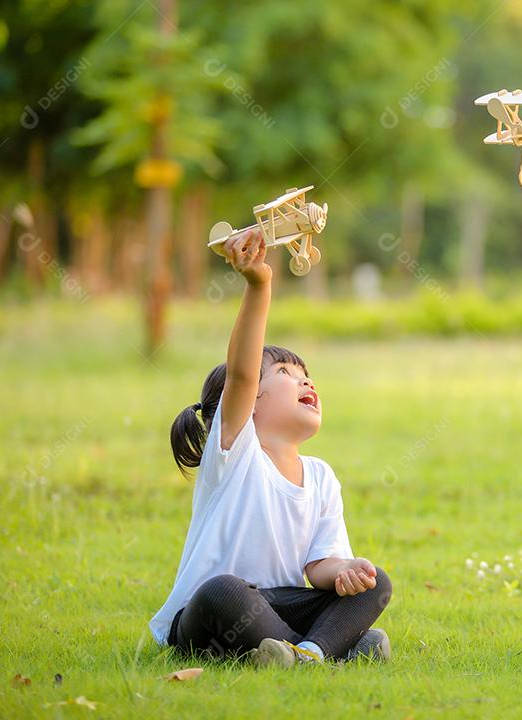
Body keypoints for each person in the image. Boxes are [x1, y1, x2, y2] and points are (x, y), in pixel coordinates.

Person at [149, 227, 391, 668]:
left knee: (379, 584)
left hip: (275, 610)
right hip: (210, 619)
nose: (306, 381)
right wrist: (260, 284)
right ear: (250, 402)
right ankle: (335, 648)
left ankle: (308, 653)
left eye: (307, 375)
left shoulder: (320, 477)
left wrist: (346, 573)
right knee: (224, 590)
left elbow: (320, 567)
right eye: (285, 373)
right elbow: (241, 372)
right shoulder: (234, 454)